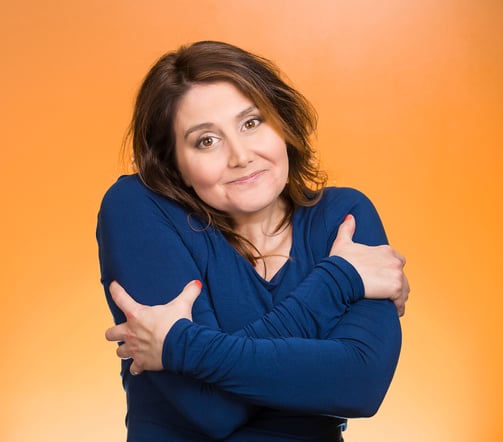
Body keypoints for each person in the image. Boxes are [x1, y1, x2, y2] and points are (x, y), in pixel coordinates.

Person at [97, 40, 409, 442]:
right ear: (174, 163)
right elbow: (210, 409)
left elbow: (362, 385)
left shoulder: (344, 216)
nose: (240, 156)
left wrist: (179, 345)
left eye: (251, 122)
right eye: (206, 140)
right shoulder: (137, 208)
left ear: (282, 123)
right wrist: (337, 282)